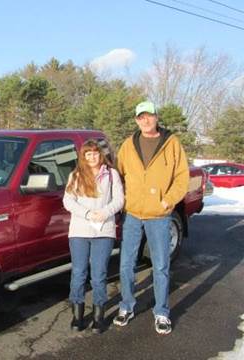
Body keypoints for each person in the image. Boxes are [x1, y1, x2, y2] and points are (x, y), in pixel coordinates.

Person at [113, 101, 190, 335]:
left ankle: (162, 312)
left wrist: (168, 201)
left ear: (156, 117)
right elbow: (119, 175)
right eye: (140, 117)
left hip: (159, 216)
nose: (145, 120)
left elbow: (182, 177)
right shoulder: (128, 145)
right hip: (133, 214)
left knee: (160, 265)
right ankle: (126, 306)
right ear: (136, 120)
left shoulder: (172, 143)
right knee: (126, 264)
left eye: (149, 116)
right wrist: (122, 202)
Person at [63, 139, 124, 333]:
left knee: (99, 275)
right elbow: (68, 201)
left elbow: (119, 200)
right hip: (79, 231)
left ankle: (99, 316)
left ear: (100, 154)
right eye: (88, 154)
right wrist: (88, 214)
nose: (92, 157)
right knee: (79, 273)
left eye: (95, 153)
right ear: (83, 156)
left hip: (103, 231)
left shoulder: (112, 174)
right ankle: (77, 315)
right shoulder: (76, 175)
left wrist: (105, 213)